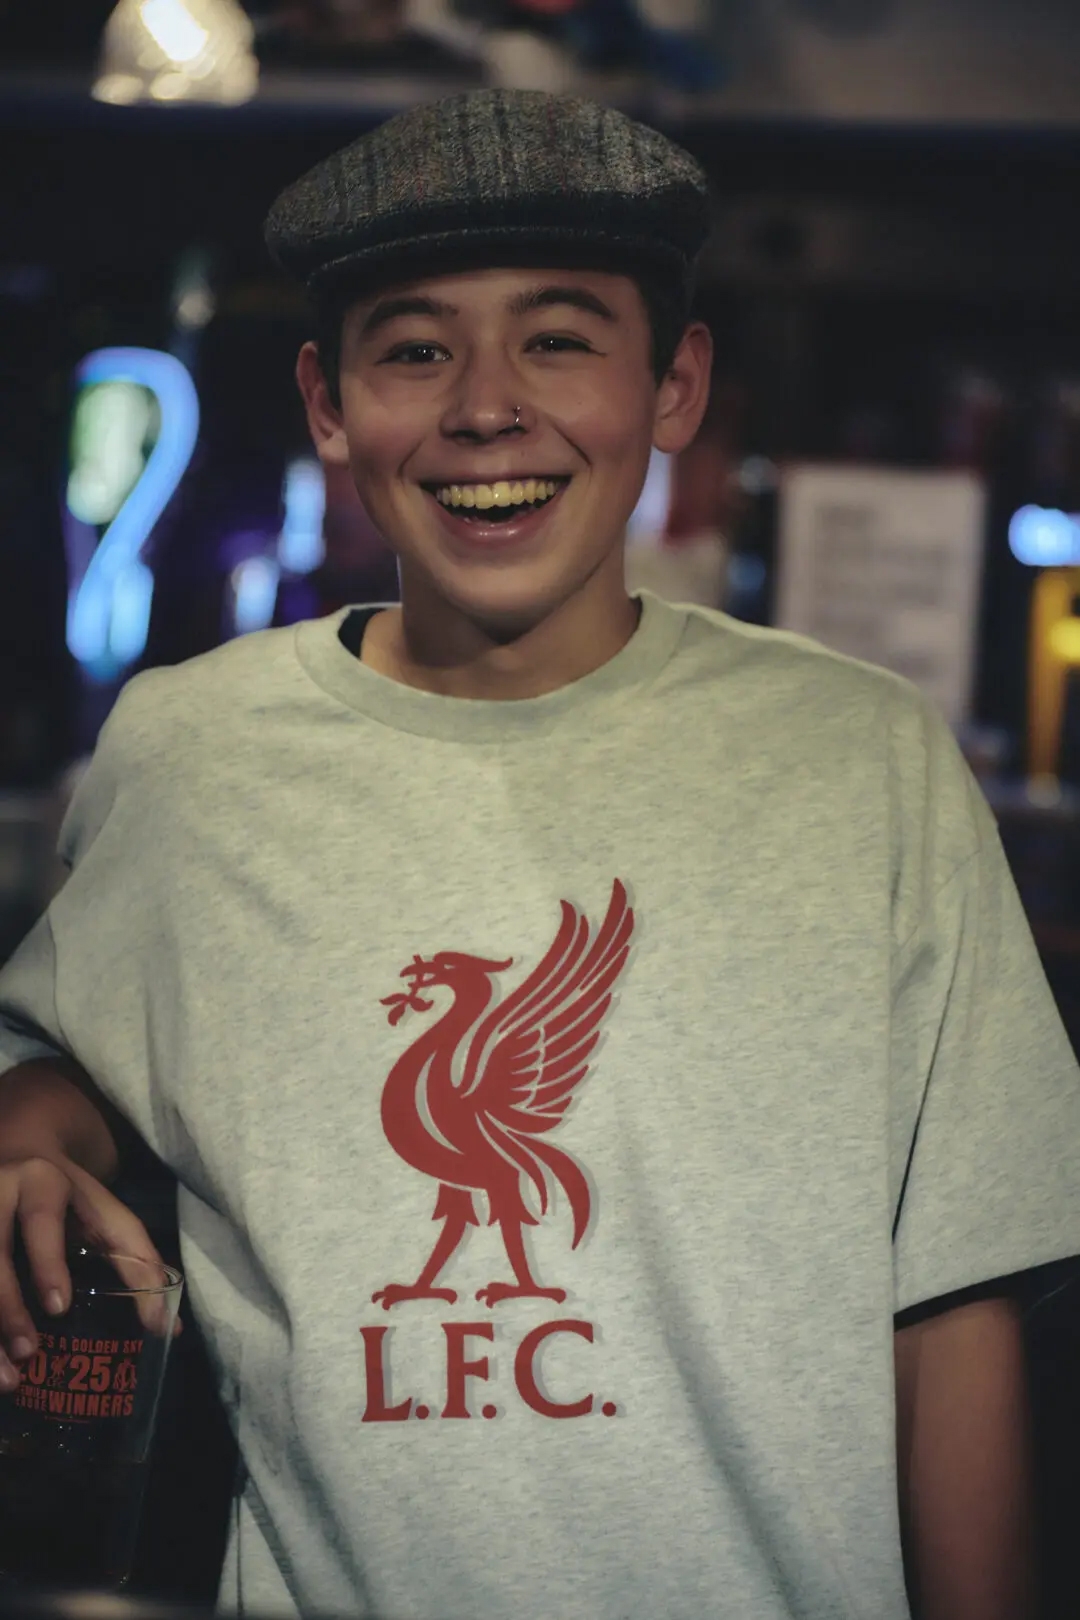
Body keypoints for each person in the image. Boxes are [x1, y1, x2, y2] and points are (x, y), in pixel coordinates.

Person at [1, 88, 1079, 1620]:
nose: (486, 407)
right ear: (328, 403)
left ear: (675, 384)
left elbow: (954, 1315)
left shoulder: (862, 759)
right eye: (414, 350)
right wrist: (24, 1135)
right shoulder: (192, 752)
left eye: (560, 339)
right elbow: (86, 1064)